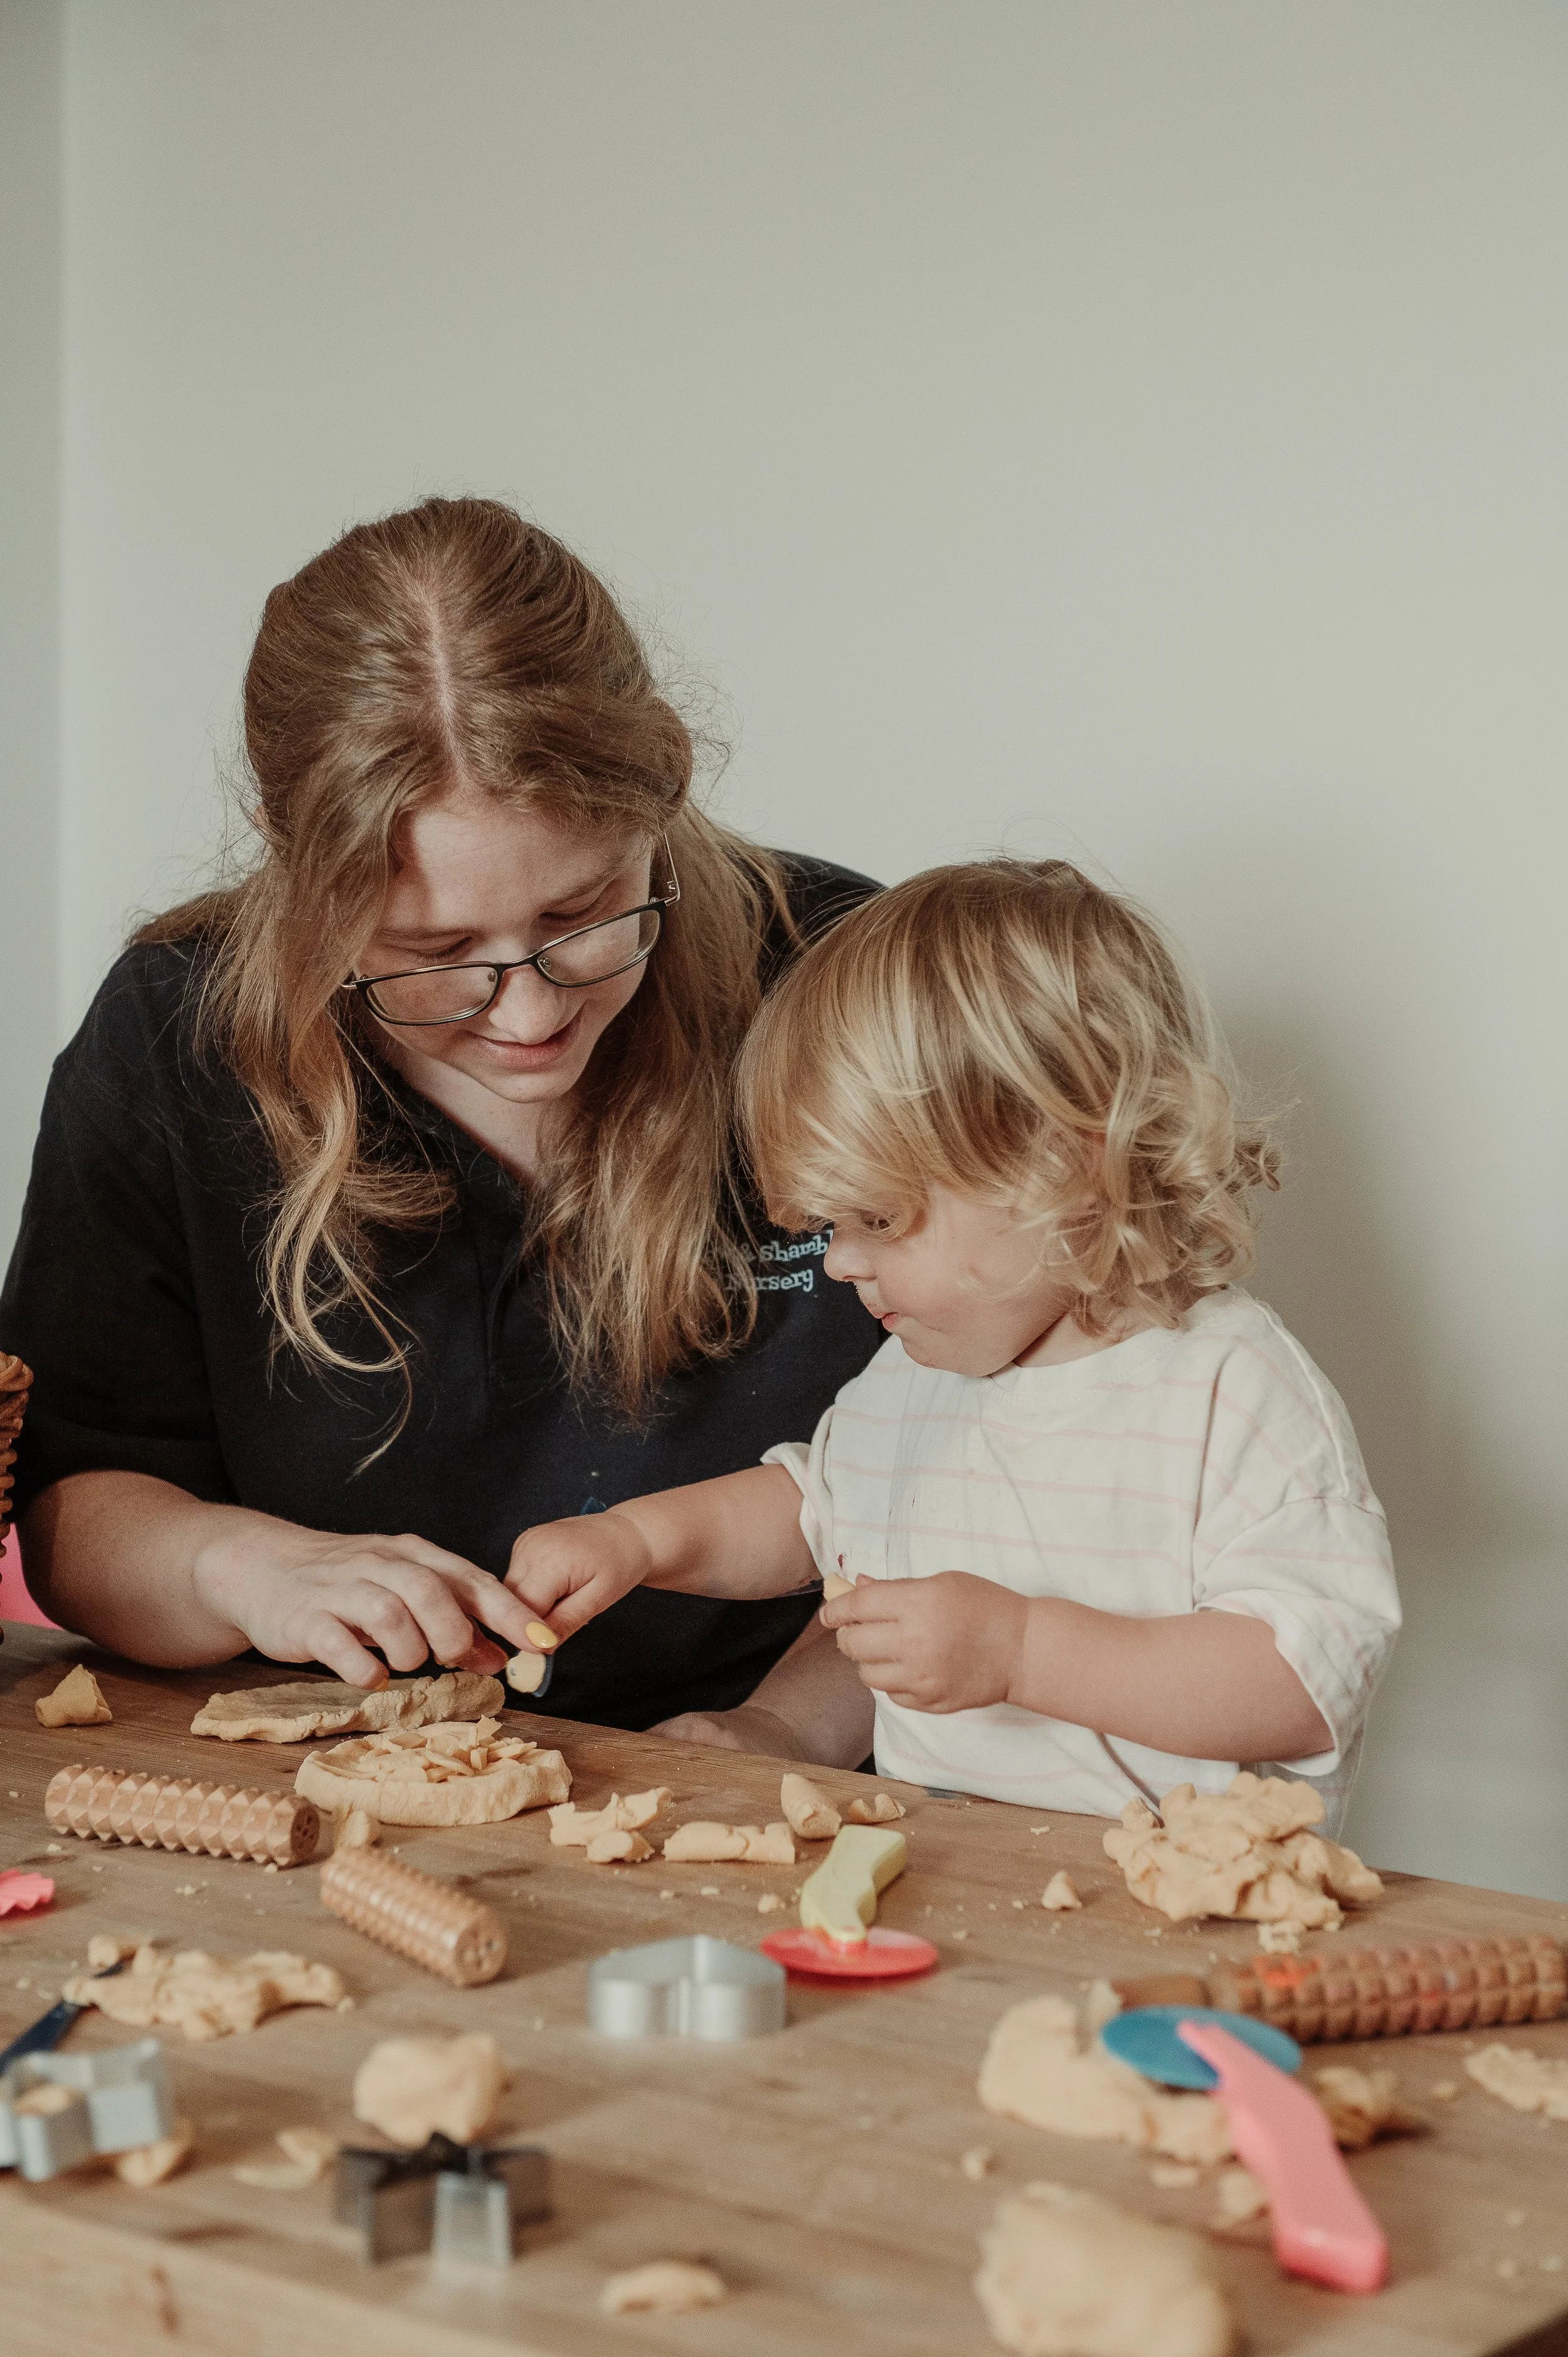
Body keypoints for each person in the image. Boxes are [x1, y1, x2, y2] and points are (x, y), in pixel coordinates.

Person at [0, 497, 884, 1761]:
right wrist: (243, 1569)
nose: (526, 1010)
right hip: (329, 1766)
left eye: (585, 915)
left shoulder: (858, 992)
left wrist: (774, 1734)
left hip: (799, 1752)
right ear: (295, 868)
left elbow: (1015, 1479)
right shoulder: (175, 1038)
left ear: (663, 786)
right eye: (431, 953)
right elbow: (77, 1504)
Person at [504, 859, 1401, 1831]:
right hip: (953, 1882)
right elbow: (819, 1525)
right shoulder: (917, 1374)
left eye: (880, 1220)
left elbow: (1304, 1686)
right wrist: (650, 1559)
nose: (840, 1263)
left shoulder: (1229, 1389)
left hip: (1193, 1905)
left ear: (1064, 1165)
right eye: (828, 1226)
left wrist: (1020, 1652)